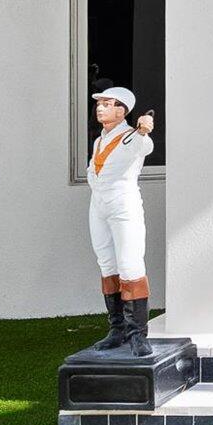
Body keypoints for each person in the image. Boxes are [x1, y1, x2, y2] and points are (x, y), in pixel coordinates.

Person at [84, 87, 157, 351]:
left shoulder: (131, 136)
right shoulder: (100, 140)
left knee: (130, 265)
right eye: (100, 103)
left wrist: (144, 129)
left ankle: (138, 334)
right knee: (107, 263)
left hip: (123, 204)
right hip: (99, 204)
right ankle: (118, 329)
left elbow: (144, 145)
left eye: (108, 103)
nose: (100, 108)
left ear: (122, 110)